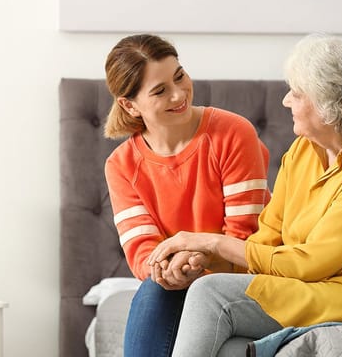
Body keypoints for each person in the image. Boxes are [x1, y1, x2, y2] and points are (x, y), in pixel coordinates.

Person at [148, 33, 342, 357]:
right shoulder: (303, 150)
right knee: (231, 348)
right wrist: (204, 258)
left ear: (331, 104)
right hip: (315, 286)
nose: (285, 101)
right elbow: (267, 240)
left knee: (211, 294)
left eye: (297, 94)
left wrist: (210, 242)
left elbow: (315, 262)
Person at [103, 33, 271, 357]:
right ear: (129, 105)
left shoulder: (232, 133)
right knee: (156, 289)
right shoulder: (121, 165)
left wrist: (195, 261)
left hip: (244, 277)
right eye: (160, 90)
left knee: (168, 292)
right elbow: (144, 254)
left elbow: (245, 236)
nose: (179, 94)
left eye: (179, 76)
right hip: (176, 285)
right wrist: (173, 271)